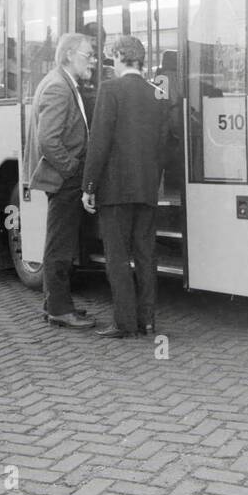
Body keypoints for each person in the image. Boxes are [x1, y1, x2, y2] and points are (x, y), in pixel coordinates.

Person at [81, 35, 169, 338]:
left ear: (120, 56)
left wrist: (88, 185)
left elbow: (100, 141)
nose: (111, 63)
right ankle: (147, 321)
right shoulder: (157, 94)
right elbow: (162, 145)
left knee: (117, 258)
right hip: (146, 189)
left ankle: (124, 322)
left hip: (115, 190)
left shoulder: (111, 90)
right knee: (146, 255)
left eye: (112, 57)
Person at [24, 33, 99, 329]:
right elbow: (49, 141)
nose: (92, 61)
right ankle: (58, 309)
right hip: (63, 180)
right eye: (88, 55)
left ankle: (55, 302)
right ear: (69, 54)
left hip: (62, 178)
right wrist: (73, 170)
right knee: (60, 246)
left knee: (60, 242)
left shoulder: (61, 82)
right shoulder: (58, 87)